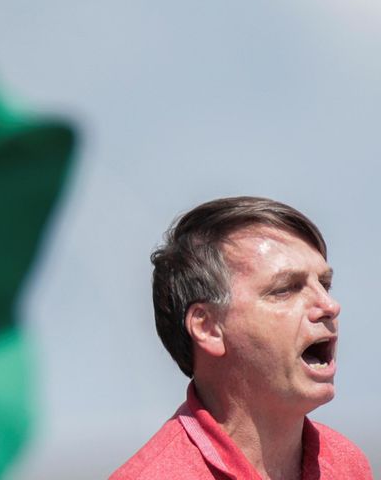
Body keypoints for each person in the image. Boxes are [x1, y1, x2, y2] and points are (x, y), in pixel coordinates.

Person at [110, 196, 372, 479]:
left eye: (324, 284)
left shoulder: (346, 464)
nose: (330, 306)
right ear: (207, 327)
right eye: (285, 289)